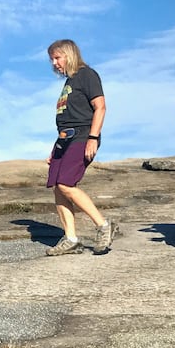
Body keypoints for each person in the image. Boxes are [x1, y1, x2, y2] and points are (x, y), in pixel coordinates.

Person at [44, 39, 116, 256]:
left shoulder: (87, 75)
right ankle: (71, 238)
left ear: (69, 54)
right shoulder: (69, 82)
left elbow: (100, 107)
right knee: (58, 187)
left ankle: (103, 226)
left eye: (58, 57)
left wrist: (93, 137)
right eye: (52, 59)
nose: (55, 63)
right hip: (64, 140)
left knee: (66, 184)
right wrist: (54, 148)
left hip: (83, 135)